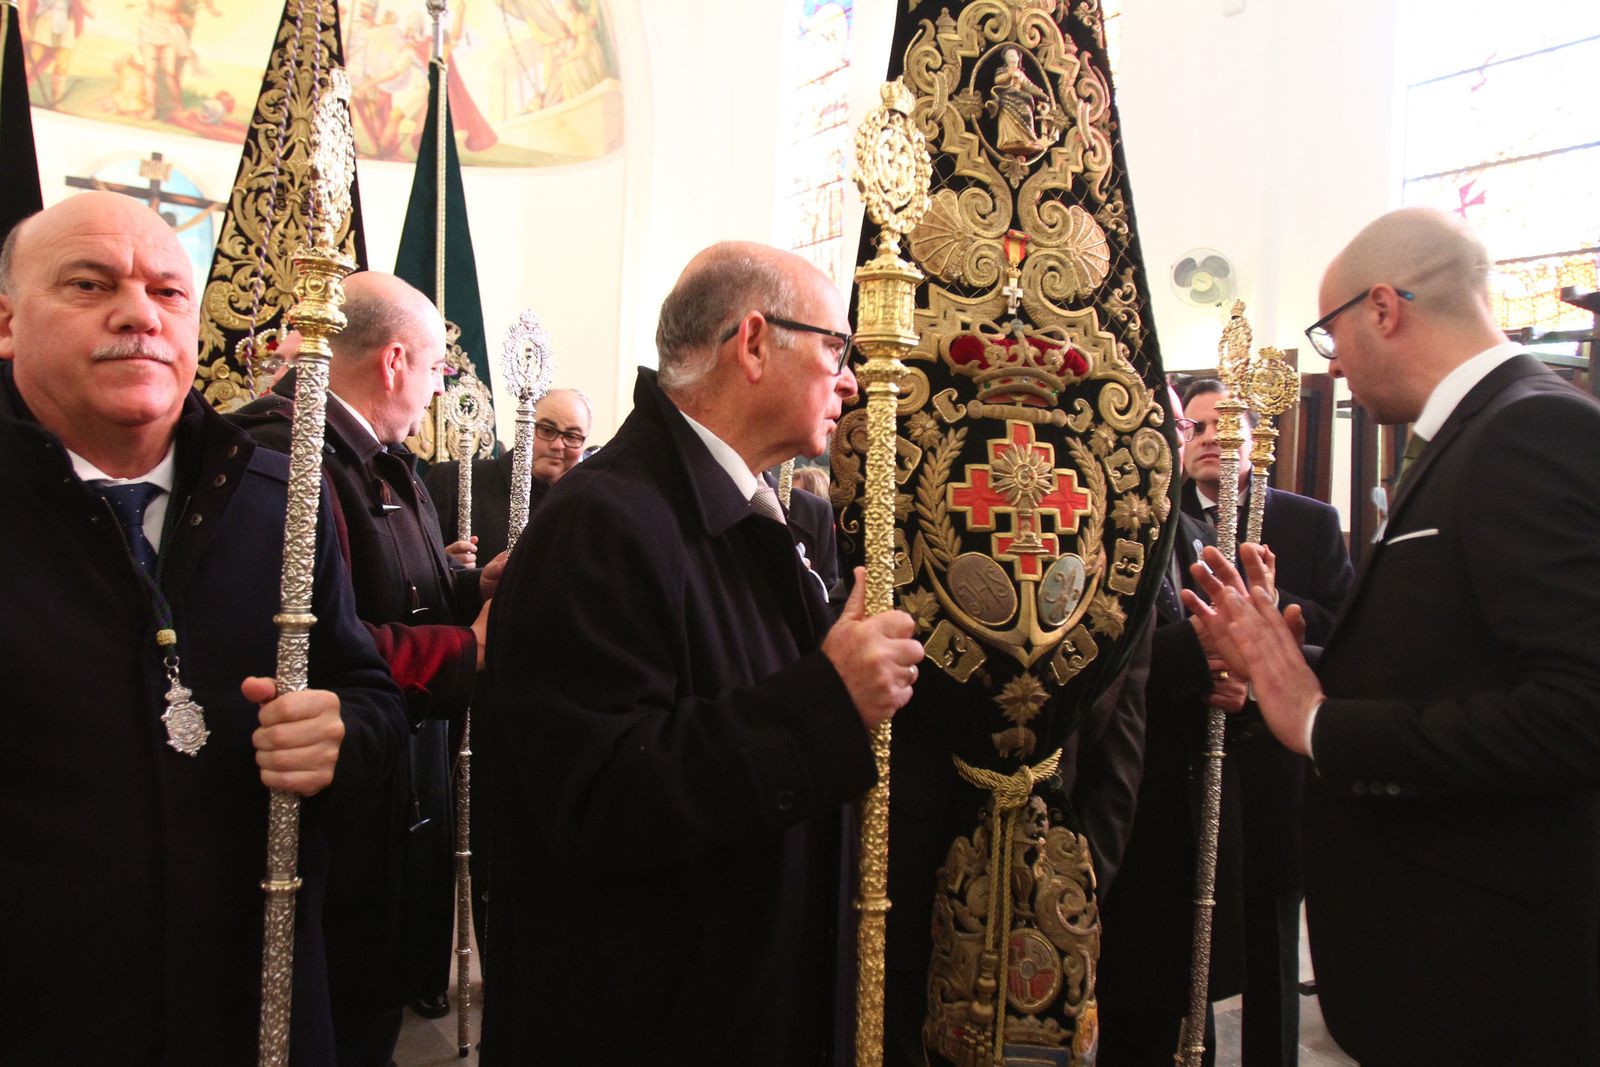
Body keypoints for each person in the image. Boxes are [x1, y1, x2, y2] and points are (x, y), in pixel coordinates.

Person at [481, 241, 925, 1064]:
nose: (852, 380)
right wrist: (829, 696)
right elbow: (602, 797)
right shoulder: (604, 523)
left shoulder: (740, 511)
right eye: (837, 348)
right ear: (754, 343)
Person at [1185, 206, 1600, 1065]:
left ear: (1384, 308)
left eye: (1329, 331)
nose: (1329, 361)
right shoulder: (1477, 434)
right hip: (1440, 965)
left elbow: (1578, 710)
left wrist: (1319, 721)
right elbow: (1455, 668)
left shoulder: (1530, 430)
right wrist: (1286, 666)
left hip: (1493, 973)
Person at [0, 191, 405, 1062]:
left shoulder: (280, 498)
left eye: (168, 292)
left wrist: (340, 731)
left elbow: (370, 693)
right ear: (6, 320)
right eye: (89, 284)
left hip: (252, 1012)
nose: (139, 314)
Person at [233, 271, 496, 1064]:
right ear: (393, 362)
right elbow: (314, 648)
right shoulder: (287, 455)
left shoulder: (384, 462)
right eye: (433, 370)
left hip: (397, 807)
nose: (433, 391)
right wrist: (471, 650)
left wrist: (471, 587)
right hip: (334, 831)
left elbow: (400, 591)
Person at [1180, 377, 1352, 1067]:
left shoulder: (1307, 522)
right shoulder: (1157, 518)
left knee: (1271, 935)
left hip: (1274, 763)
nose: (1214, 439)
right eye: (1197, 428)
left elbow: (1343, 637)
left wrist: (1279, 614)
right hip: (1190, 756)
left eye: (1229, 426)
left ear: (1257, 440)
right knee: (1184, 933)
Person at [1096, 390, 1250, 1066]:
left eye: (1178, 423)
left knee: (1178, 1027)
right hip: (1121, 826)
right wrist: (1201, 652)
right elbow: (1085, 669)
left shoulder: (1185, 528)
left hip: (1183, 821)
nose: (1176, 435)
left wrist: (1235, 683)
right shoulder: (1090, 520)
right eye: (1174, 422)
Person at [424, 385, 592, 564]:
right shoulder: (452, 480)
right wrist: (445, 565)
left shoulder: (590, 504)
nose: (558, 445)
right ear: (524, 427)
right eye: (547, 430)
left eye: (572, 436)